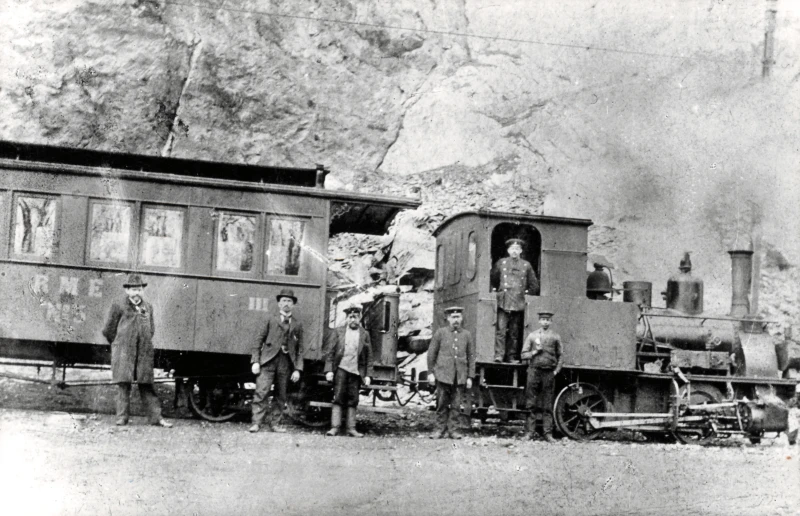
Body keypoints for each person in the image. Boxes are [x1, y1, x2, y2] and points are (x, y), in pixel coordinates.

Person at [101, 273, 172, 428]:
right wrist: (119, 343)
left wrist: (142, 341)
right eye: (133, 289)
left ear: (142, 291)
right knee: (123, 385)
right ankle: (122, 418)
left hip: (143, 352)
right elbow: (108, 330)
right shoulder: (118, 305)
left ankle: (156, 418)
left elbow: (151, 329)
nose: (136, 293)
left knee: (146, 385)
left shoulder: (148, 307)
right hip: (124, 351)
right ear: (127, 291)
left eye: (139, 289)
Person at [248, 288, 304, 433]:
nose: (286, 303)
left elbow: (300, 349)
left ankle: (275, 424)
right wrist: (255, 361)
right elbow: (258, 340)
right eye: (284, 300)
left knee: (281, 395)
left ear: (293, 305)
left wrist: (297, 369)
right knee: (262, 392)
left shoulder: (297, 324)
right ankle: (256, 423)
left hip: (285, 363)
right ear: (279, 303)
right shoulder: (269, 319)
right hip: (268, 361)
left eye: (289, 301)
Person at [324, 305, 373, 437]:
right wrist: (329, 370)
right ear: (346, 318)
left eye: (355, 317)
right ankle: (334, 428)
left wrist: (368, 375)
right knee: (338, 397)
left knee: (353, 399)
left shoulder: (364, 334)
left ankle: (351, 428)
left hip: (356, 371)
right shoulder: (338, 332)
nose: (352, 320)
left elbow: (369, 356)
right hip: (341, 369)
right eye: (350, 317)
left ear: (359, 318)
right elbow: (330, 352)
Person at [427, 306, 475, 439]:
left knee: (456, 405)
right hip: (443, 375)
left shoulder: (466, 335)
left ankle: (453, 430)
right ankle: (439, 430)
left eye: (458, 317)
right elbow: (431, 354)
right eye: (453, 317)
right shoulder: (440, 333)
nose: (456, 320)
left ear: (462, 318)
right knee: (441, 404)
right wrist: (430, 373)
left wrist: (470, 376)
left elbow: (471, 357)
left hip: (459, 376)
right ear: (448, 318)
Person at [491, 238, 539, 363]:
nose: (514, 251)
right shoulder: (501, 263)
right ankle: (499, 355)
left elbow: (534, 285)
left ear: (521, 251)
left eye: (517, 249)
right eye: (512, 248)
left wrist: (525, 295)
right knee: (501, 330)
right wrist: (498, 292)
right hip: (503, 301)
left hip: (518, 302)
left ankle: (511, 357)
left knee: (514, 332)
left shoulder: (526, 265)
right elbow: (493, 279)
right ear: (508, 250)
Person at [520, 311, 563, 443]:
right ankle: (529, 432)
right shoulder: (532, 336)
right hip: (534, 371)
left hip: (548, 372)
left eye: (547, 320)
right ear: (539, 321)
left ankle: (547, 433)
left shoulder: (555, 337)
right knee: (530, 403)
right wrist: (534, 352)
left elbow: (561, 356)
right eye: (543, 319)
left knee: (547, 404)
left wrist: (556, 371)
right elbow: (523, 355)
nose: (545, 322)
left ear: (551, 322)